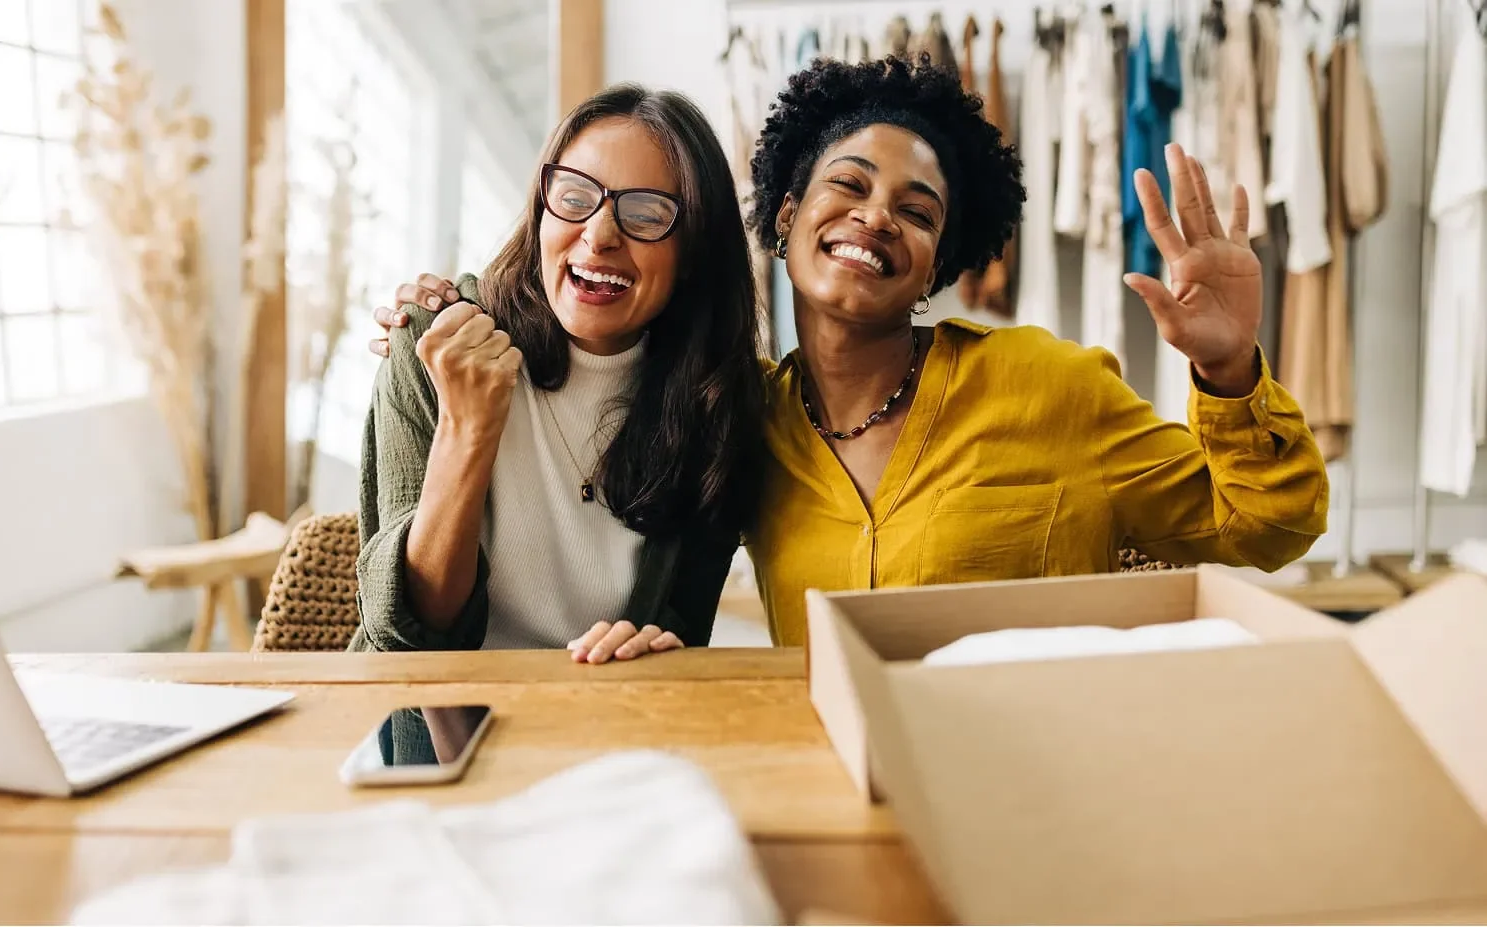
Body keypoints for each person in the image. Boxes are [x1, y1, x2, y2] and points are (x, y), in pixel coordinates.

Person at [374, 56, 1328, 648]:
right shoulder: (745, 417)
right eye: (850, 185)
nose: (877, 216)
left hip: (1036, 770)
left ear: (937, 266)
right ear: (786, 216)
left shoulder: (1051, 385)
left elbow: (1265, 527)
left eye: (918, 212)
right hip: (837, 773)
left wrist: (1230, 370)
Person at [350, 84, 766, 662]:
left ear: (694, 250)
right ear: (541, 208)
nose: (599, 236)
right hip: (433, 730)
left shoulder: (718, 405)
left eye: (646, 213)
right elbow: (406, 632)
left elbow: (683, 634)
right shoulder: (436, 342)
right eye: (574, 197)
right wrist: (466, 431)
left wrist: (654, 646)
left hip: (602, 726)